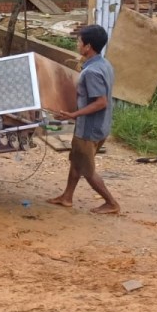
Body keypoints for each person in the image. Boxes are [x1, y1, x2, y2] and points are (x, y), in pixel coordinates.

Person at [48, 24, 120, 215]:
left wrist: (73, 115)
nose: (77, 44)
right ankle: (67, 197)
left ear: (88, 46)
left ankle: (111, 203)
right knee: (76, 161)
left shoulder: (92, 72)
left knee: (87, 170)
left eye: (79, 41)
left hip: (89, 128)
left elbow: (101, 102)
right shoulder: (104, 64)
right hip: (100, 125)